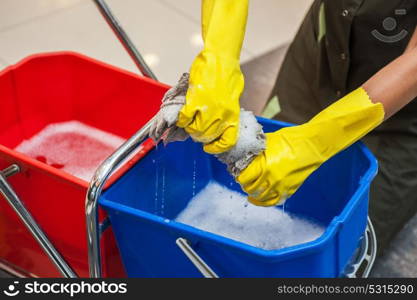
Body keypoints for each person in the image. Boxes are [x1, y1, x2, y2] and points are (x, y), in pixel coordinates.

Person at [176, 0, 417, 254]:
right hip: (323, 54)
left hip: (403, 111)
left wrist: (314, 142)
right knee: (262, 177)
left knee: (347, 244)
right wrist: (219, 56)